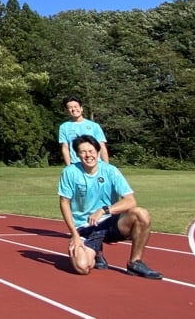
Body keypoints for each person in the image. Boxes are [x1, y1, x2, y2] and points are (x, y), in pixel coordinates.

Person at [58, 135, 162, 279]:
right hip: (85, 227)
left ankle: (135, 263)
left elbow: (130, 201)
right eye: (83, 152)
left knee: (141, 214)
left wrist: (104, 210)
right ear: (77, 154)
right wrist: (74, 235)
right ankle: (96, 251)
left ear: (98, 152)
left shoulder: (110, 171)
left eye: (91, 150)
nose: (88, 155)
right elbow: (64, 203)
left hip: (109, 223)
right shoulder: (70, 172)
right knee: (82, 267)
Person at [59, 96, 109, 166]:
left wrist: (106, 165)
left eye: (76, 106)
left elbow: (101, 146)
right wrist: (69, 166)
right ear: (67, 110)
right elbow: (65, 147)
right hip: (76, 164)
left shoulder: (94, 126)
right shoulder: (64, 127)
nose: (73, 109)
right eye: (70, 108)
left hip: (95, 163)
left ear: (81, 108)